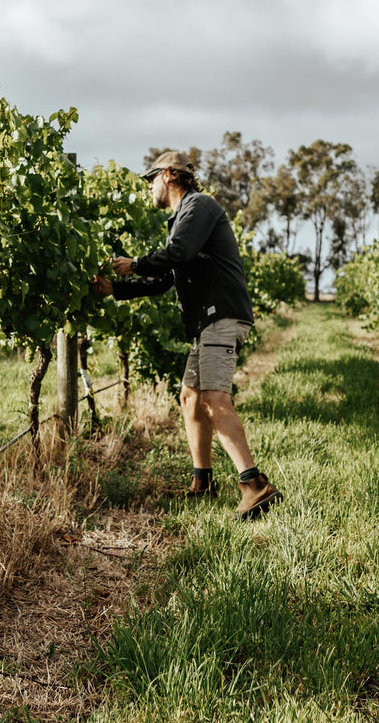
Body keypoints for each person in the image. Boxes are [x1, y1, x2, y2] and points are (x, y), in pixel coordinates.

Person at [93, 150, 281, 520]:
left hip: (220, 316)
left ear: (167, 175)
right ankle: (202, 482)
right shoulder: (183, 219)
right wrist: (116, 288)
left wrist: (135, 264)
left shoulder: (198, 207)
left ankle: (255, 485)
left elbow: (176, 254)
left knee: (213, 398)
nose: (149, 188)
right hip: (206, 321)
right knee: (190, 397)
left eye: (150, 180)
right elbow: (165, 280)